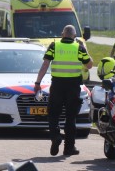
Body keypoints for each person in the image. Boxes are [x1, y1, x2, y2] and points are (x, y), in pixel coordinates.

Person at [34, 25, 93, 156]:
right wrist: (83, 48)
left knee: (53, 114)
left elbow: (45, 65)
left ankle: (55, 137)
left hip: (57, 85)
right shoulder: (79, 48)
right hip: (73, 87)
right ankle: (69, 148)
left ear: (62, 34)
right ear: (74, 35)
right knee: (71, 117)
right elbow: (89, 65)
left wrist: (38, 82)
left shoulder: (54, 46)